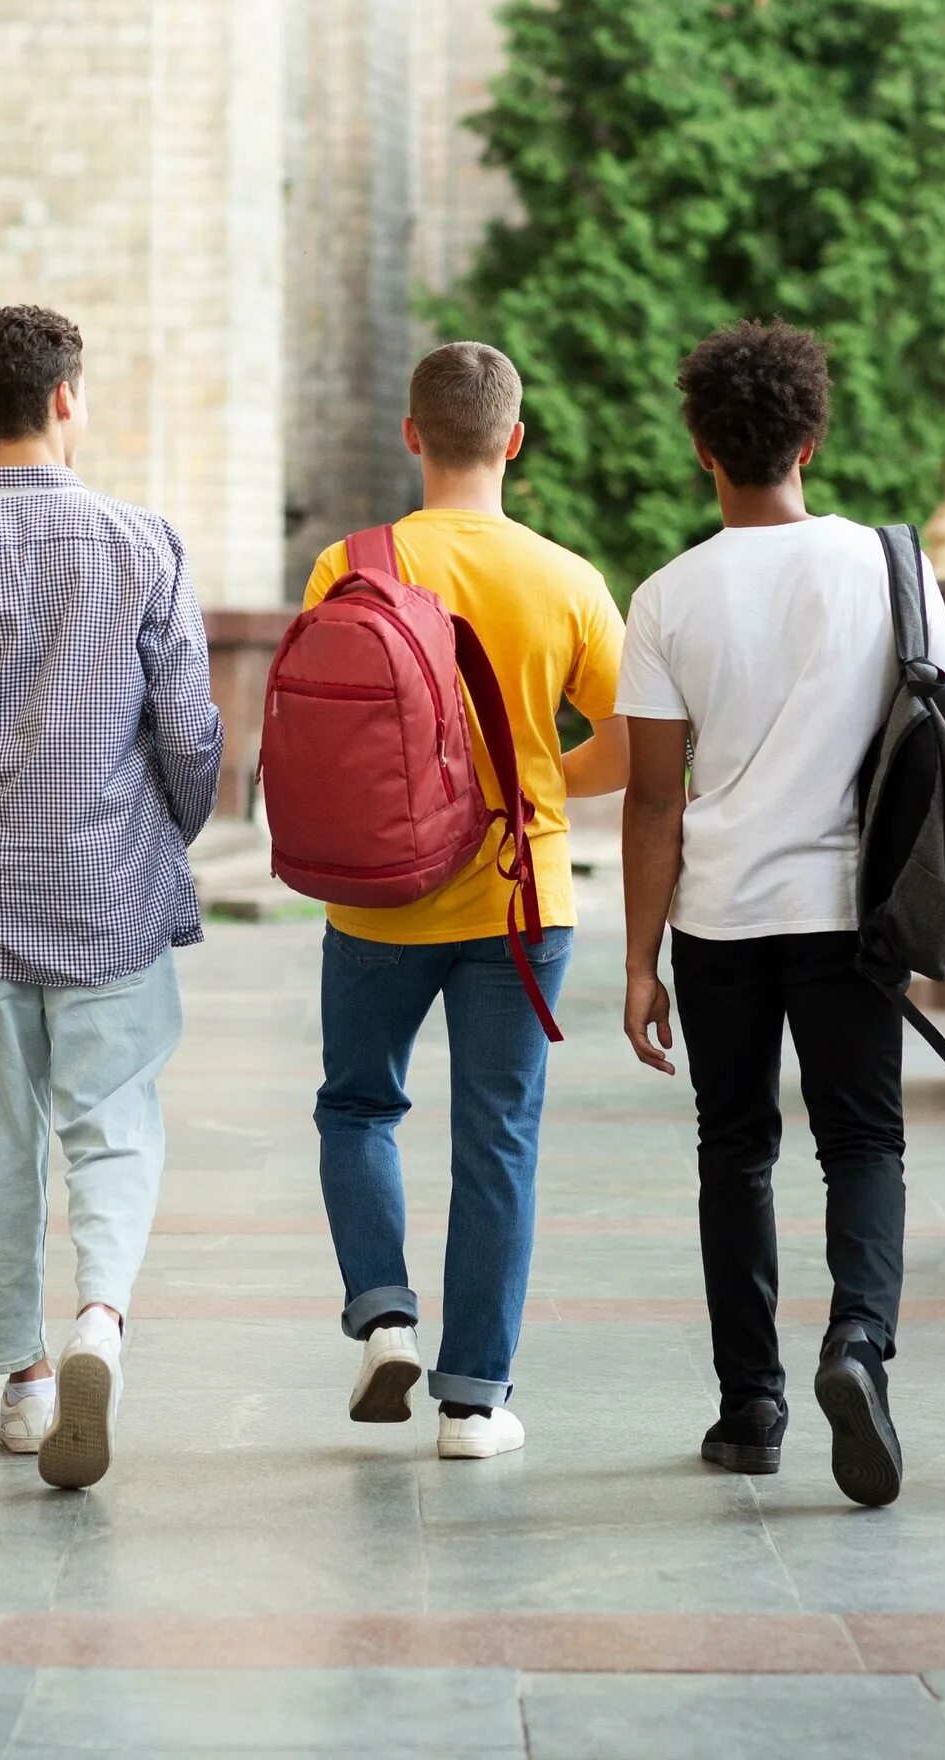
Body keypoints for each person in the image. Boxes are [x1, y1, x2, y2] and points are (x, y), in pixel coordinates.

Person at [616, 319, 945, 1508]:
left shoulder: (666, 597)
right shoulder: (888, 565)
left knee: (736, 1149)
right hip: (853, 914)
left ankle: (750, 1407)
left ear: (700, 448)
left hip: (719, 917)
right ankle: (858, 1345)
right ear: (810, 439)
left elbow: (654, 795)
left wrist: (637, 961)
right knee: (862, 1141)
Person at [0, 304, 223, 1492]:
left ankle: (25, 1381)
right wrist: (166, 828)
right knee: (113, 1117)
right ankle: (100, 1325)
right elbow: (188, 731)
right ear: (67, 396)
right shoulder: (145, 545)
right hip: (110, 891)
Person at [304, 341, 628, 1461]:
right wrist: (536, 779)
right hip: (520, 898)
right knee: (497, 1140)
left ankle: (386, 1315)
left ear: (411, 434)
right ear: (516, 441)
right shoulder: (568, 578)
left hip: (381, 898)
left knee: (357, 1108)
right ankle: (475, 1402)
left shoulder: (351, 560)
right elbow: (631, 744)